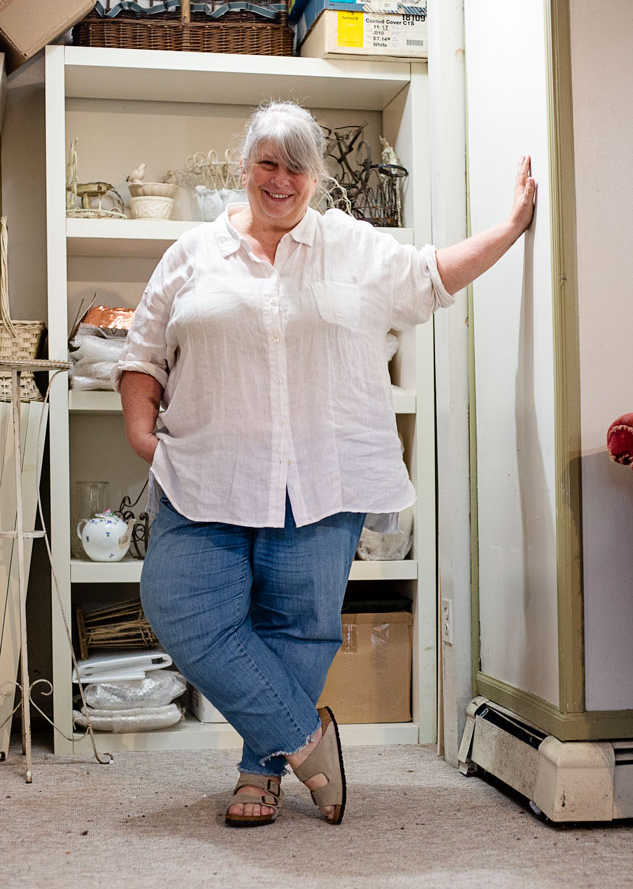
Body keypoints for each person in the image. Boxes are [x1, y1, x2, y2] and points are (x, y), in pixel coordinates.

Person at [113, 101, 535, 828]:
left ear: (316, 178)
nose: (281, 180)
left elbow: (434, 276)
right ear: (244, 167)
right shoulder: (192, 252)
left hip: (322, 474)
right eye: (268, 163)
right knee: (180, 605)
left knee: (299, 629)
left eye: (297, 168)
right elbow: (143, 352)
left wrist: (510, 227)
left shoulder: (353, 246)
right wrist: (140, 433)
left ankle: (259, 773)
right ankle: (309, 741)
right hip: (206, 472)